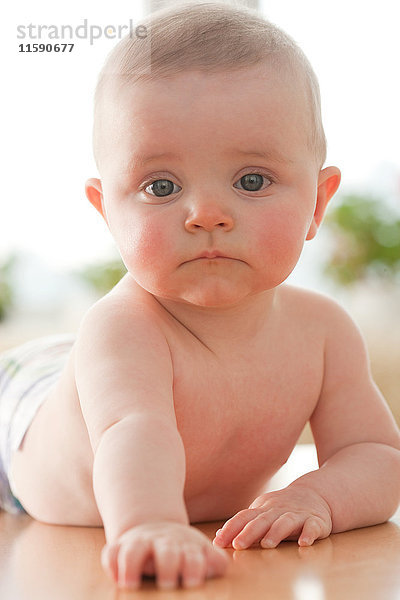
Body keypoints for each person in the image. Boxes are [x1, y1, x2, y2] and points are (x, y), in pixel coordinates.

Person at [1, 0, 400, 591]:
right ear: (107, 212)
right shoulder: (124, 328)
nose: (207, 214)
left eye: (251, 180)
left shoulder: (324, 332)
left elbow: (378, 454)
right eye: (161, 186)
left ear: (317, 204)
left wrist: (317, 494)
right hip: (21, 414)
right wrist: (152, 524)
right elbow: (134, 433)